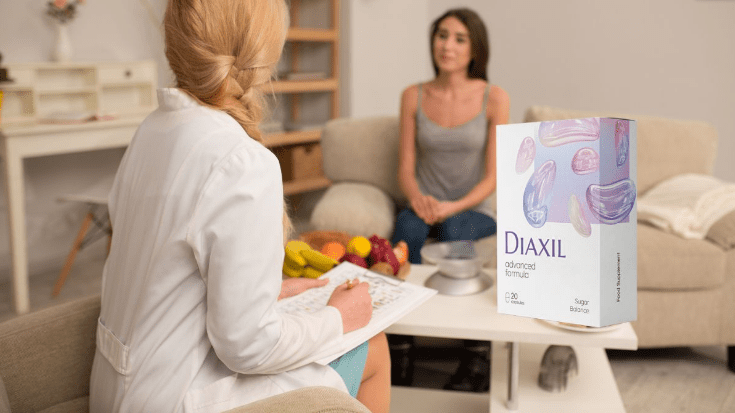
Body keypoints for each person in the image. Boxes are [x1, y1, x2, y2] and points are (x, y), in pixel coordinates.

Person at [89, 0, 390, 412]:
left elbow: (168, 274)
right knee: (375, 345)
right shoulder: (241, 161)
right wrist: (339, 318)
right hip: (174, 400)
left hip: (119, 391)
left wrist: (267, 293)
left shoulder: (153, 129)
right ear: (266, 48)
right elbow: (247, 347)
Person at [390, 7, 510, 392]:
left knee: (457, 230)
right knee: (407, 229)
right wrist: (419, 200)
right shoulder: (412, 95)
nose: (448, 45)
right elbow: (405, 168)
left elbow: (492, 177)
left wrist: (452, 207)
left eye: (459, 39)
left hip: (471, 209)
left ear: (475, 49)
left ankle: (476, 356)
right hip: (422, 205)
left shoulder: (495, 98)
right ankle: (400, 348)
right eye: (442, 35)